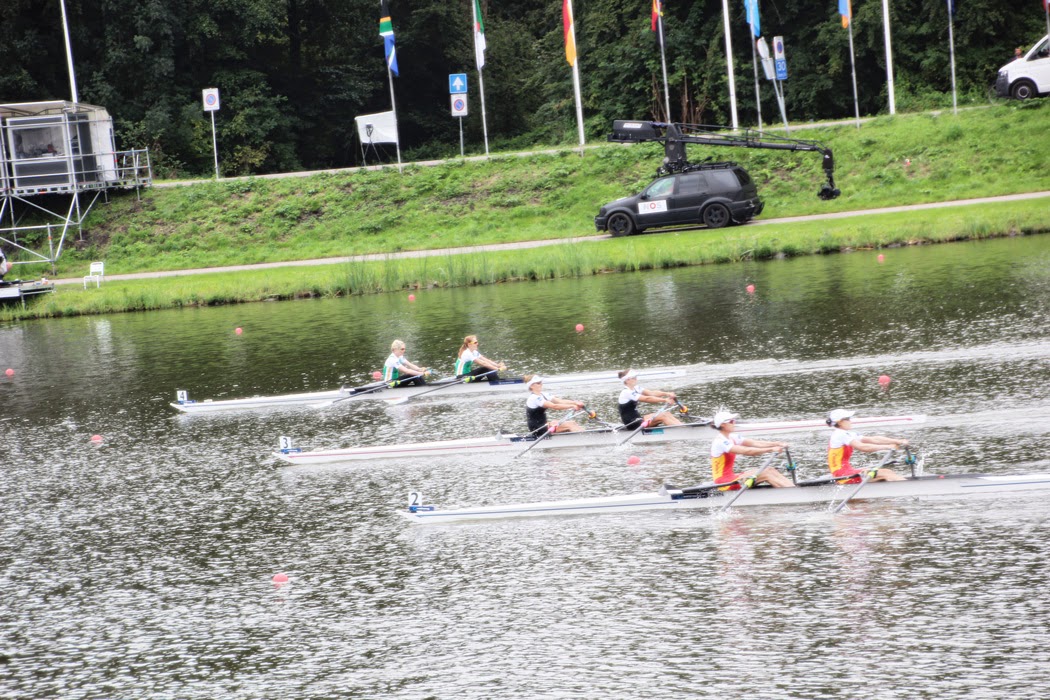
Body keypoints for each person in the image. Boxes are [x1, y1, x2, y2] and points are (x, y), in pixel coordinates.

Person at [710, 411, 795, 489]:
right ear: (722, 425)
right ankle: (793, 493)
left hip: (731, 477)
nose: (734, 423)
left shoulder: (733, 437)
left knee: (770, 470)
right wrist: (770, 449)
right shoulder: (720, 441)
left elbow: (756, 443)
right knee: (766, 474)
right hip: (723, 483)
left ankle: (792, 488)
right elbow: (746, 451)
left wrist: (777, 443)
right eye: (731, 421)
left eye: (734, 420)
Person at [826, 409, 907, 482]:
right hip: (842, 476)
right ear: (840, 422)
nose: (850, 421)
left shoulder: (846, 433)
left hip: (847, 471)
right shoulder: (840, 434)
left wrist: (898, 441)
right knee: (886, 474)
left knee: (888, 472)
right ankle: (908, 488)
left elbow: (873, 439)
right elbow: (863, 447)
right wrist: (887, 447)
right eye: (848, 419)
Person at [616, 368, 682, 429]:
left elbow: (652, 393)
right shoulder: (626, 392)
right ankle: (682, 431)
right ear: (627, 380)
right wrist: (664, 400)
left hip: (638, 419)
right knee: (663, 416)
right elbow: (647, 399)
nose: (636, 379)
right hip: (632, 423)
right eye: (634, 377)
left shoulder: (636, 388)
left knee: (667, 413)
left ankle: (682, 427)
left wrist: (667, 394)